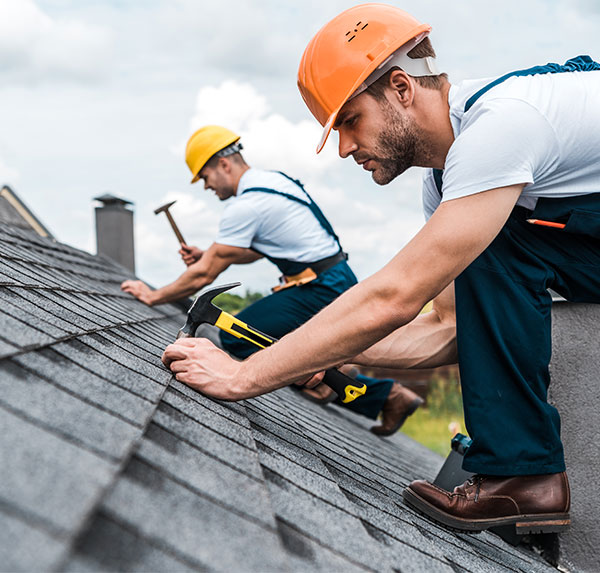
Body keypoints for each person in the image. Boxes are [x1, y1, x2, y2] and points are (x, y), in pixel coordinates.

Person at [162, 3, 600, 534]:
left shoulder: (502, 126)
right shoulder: (448, 186)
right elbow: (448, 328)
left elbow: (395, 297)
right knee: (493, 243)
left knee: (495, 241)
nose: (345, 148)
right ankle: (527, 480)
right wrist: (310, 354)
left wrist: (244, 375)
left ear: (400, 87)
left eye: (350, 122)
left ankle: (523, 476)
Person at [122, 124, 423, 433]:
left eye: (205, 177)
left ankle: (352, 384)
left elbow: (205, 274)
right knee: (283, 346)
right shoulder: (273, 182)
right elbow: (252, 251)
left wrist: (153, 295)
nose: (206, 187)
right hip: (332, 278)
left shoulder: (248, 204)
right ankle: (375, 391)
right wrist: (208, 254)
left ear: (223, 164)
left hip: (319, 287)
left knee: (235, 338)